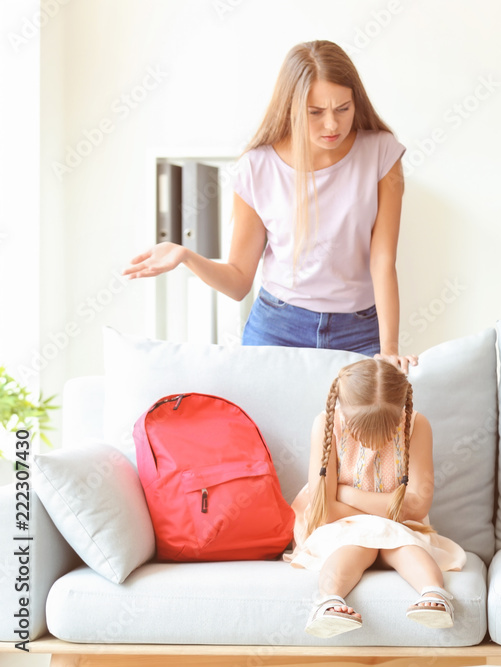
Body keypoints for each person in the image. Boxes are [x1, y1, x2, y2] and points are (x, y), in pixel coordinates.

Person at [124, 41, 417, 371]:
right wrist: (186, 256)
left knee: (362, 423)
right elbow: (238, 283)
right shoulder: (256, 167)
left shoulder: (382, 154)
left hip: (360, 330)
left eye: (343, 108)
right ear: (291, 108)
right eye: (316, 113)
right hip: (278, 328)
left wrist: (389, 347)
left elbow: (382, 259)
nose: (332, 125)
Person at [286, 358, 465, 637]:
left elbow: (417, 506)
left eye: (386, 429)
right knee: (356, 546)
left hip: (399, 527)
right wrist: (388, 510)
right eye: (361, 430)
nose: (373, 440)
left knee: (406, 546)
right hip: (340, 528)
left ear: (400, 413)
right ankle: (328, 600)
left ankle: (435, 593)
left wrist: (344, 493)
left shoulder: (417, 425)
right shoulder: (327, 425)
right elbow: (326, 511)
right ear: (343, 410)